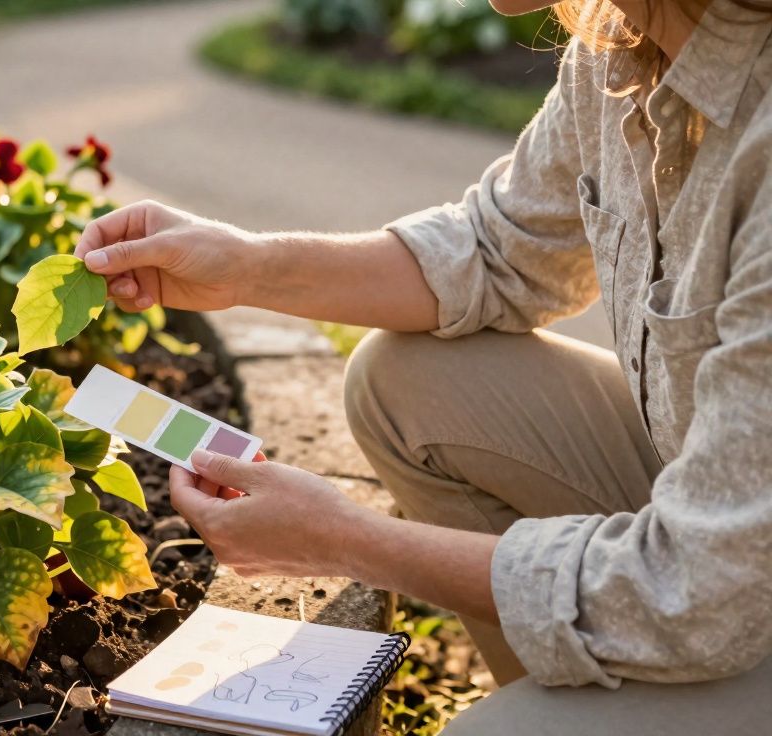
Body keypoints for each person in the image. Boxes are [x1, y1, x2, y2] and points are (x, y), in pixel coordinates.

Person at [73, 0, 772, 731]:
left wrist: (343, 541)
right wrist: (244, 266)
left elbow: (700, 587)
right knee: (401, 383)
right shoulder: (622, 40)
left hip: (723, 581)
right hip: (723, 533)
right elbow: (497, 252)